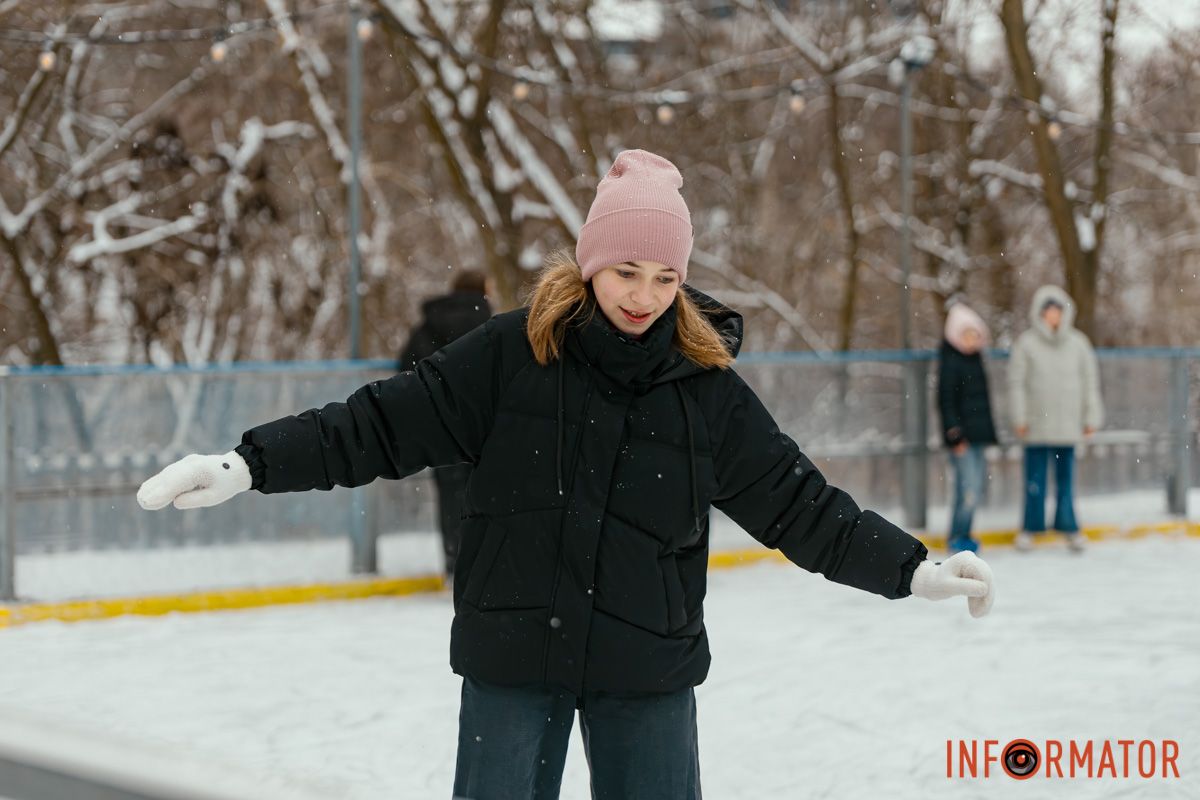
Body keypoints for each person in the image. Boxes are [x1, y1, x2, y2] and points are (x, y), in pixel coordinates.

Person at [137, 150, 995, 800]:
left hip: (646, 668)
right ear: (591, 262)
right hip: (514, 655)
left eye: (666, 277)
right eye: (627, 270)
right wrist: (247, 464)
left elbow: (800, 506)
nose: (644, 295)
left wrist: (910, 567)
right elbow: (375, 425)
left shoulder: (706, 393)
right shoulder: (513, 355)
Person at [397, 270, 493, 580]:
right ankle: (482, 564)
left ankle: (454, 563)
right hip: (485, 429)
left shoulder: (429, 326)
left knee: (450, 496)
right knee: (487, 494)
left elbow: (406, 371)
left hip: (441, 428)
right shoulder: (491, 326)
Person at [1007, 285, 1104, 553]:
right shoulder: (1026, 344)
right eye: (1048, 310)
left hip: (1067, 426)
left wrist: (1090, 416)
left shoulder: (1078, 344)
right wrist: (1020, 416)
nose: (1053, 316)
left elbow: (1089, 382)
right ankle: (1030, 527)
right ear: (1039, 313)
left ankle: (1069, 526)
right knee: (1034, 481)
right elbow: (1017, 383)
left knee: (1066, 482)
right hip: (1036, 426)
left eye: (1057, 310)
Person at [937, 303, 999, 555]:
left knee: (974, 486)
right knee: (968, 487)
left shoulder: (976, 361)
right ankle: (957, 534)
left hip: (978, 436)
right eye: (966, 335)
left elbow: (982, 402)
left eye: (975, 335)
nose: (971, 340)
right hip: (962, 439)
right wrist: (954, 433)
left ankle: (964, 533)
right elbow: (946, 401)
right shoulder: (951, 363)